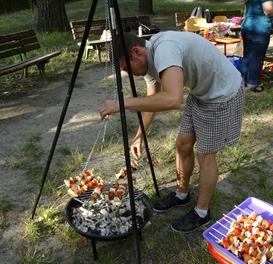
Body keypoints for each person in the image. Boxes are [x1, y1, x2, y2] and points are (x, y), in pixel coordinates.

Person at [99, 32, 245, 233]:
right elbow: (153, 102)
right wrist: (139, 135)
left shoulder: (165, 50)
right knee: (182, 144)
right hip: (200, 93)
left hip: (220, 94)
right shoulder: (149, 60)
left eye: (126, 68)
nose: (129, 74)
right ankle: (181, 194)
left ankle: (202, 213)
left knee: (205, 155)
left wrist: (122, 104)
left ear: (136, 52)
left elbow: (172, 100)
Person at [239, 0, 273, 93]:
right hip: (260, 28)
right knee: (256, 57)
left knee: (247, 55)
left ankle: (242, 81)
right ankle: (253, 83)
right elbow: (268, 11)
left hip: (248, 26)